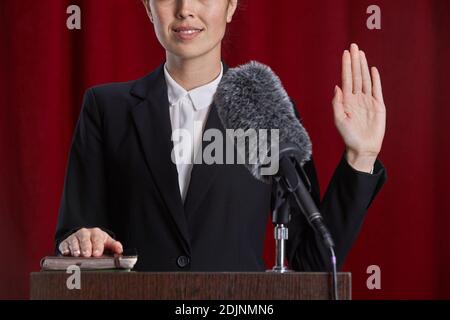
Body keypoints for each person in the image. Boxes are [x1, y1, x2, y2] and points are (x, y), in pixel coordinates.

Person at [55, 0, 386, 271]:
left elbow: (310, 265)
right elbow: (78, 232)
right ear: (147, 7)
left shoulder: (265, 108)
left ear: (230, 6)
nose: (185, 9)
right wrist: (82, 239)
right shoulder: (105, 109)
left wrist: (361, 157)